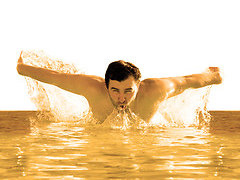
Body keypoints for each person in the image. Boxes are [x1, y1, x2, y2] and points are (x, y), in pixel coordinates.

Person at [17, 52, 222, 123]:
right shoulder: (92, 88)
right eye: (115, 90)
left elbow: (187, 80)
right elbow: (55, 77)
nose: (121, 98)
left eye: (128, 91)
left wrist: (214, 77)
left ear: (138, 86)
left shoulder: (156, 90)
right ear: (106, 86)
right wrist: (22, 68)